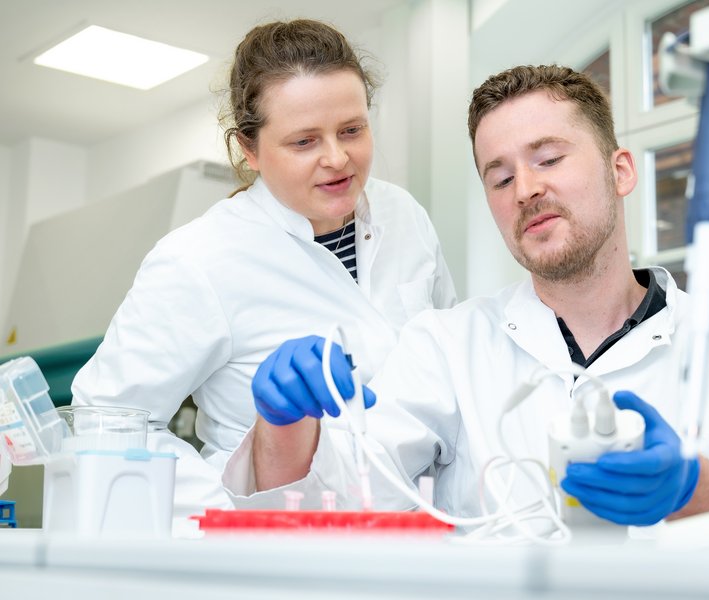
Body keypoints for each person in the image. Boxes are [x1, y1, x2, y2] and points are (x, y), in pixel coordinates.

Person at [224, 65, 709, 528]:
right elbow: (325, 505)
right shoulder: (446, 347)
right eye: (500, 178)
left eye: (549, 159)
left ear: (621, 170)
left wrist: (692, 488)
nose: (526, 190)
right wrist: (283, 424)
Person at [69, 19, 456, 520]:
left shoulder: (406, 217)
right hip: (286, 547)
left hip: (426, 533)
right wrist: (230, 511)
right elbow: (103, 423)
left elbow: (451, 363)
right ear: (249, 150)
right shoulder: (199, 258)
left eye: (352, 130)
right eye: (304, 142)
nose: (338, 159)